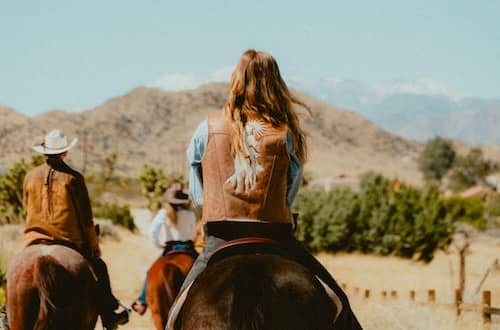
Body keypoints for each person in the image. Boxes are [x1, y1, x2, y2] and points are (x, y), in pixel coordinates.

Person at [179, 49, 362, 329]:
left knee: (176, 312)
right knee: (339, 304)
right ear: (275, 83)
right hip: (275, 233)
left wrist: (211, 205)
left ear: (235, 80)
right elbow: (291, 188)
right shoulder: (284, 133)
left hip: (220, 235)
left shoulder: (207, 128)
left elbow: (196, 187)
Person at [22, 129, 129, 329]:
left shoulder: (29, 177)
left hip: (34, 240)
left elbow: (26, 208)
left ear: (43, 152)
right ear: (65, 152)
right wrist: (94, 246)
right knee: (100, 267)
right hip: (69, 241)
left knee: (18, 271)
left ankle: (7, 313)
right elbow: (86, 219)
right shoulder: (73, 178)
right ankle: (109, 314)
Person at [131, 183, 197, 315]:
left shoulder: (163, 214)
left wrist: (159, 244)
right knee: (205, 269)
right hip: (188, 248)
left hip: (170, 248)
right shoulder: (190, 214)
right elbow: (192, 234)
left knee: (150, 272)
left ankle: (142, 302)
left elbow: (152, 232)